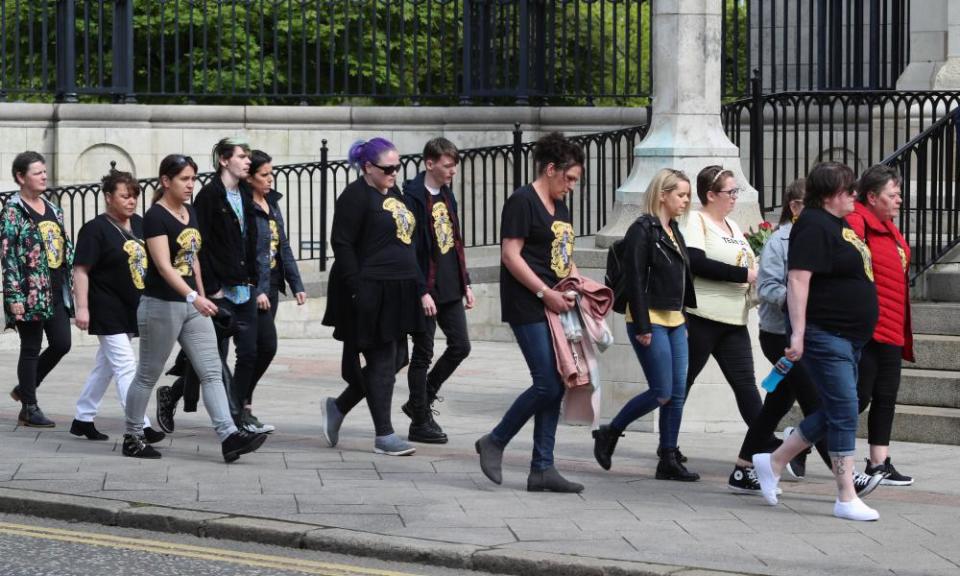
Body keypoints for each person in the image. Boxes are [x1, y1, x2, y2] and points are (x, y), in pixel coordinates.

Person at [753, 162, 883, 521]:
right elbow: (797, 281)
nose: (854, 195)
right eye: (848, 190)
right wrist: (796, 334)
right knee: (843, 410)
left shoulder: (837, 224)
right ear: (829, 195)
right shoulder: (811, 224)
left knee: (841, 407)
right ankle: (845, 494)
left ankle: (774, 459)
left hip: (849, 336)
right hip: (827, 335)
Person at [122, 154, 266, 462]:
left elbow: (193, 259)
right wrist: (192, 297)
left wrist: (204, 298)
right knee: (148, 373)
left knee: (212, 370)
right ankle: (132, 436)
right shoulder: (155, 217)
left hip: (191, 305)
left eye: (193, 179)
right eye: (184, 179)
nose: (190, 185)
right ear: (165, 181)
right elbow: (163, 267)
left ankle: (229, 436)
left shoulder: (190, 212)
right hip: (161, 305)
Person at [475, 132, 585, 493]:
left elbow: (563, 254)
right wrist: (543, 291)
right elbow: (510, 255)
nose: (571, 186)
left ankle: (542, 468)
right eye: (568, 178)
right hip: (529, 302)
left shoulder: (560, 204)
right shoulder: (523, 200)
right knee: (548, 382)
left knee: (558, 382)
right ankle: (495, 440)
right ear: (550, 169)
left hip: (556, 303)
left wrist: (575, 282)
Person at [727, 180, 844, 494]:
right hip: (780, 335)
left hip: (808, 335)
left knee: (775, 406)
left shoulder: (820, 238)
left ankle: (742, 468)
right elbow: (766, 289)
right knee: (816, 402)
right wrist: (801, 300)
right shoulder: (780, 242)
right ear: (795, 206)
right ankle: (845, 477)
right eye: (814, 204)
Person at [592, 168, 699, 481]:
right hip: (649, 319)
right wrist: (642, 326)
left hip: (676, 319)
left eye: (688, 195)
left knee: (677, 393)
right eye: (681, 194)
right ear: (662, 194)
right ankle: (610, 432)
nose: (685, 200)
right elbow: (636, 281)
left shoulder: (673, 229)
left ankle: (668, 456)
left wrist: (685, 317)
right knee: (662, 391)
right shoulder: (643, 229)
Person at [319, 137, 425, 456]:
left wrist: (419, 286)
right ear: (367, 167)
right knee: (381, 361)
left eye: (397, 166)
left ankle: (338, 406)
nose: (394, 172)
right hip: (371, 287)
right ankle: (384, 434)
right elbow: (342, 243)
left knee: (397, 359)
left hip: (400, 288)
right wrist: (357, 288)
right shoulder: (354, 196)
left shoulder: (393, 191)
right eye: (388, 168)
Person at [70, 169, 164, 443]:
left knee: (106, 366)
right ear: (109, 197)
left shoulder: (140, 224)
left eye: (134, 195)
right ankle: (140, 425)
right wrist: (82, 308)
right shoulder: (94, 229)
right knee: (125, 366)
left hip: (132, 306)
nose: (131, 201)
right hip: (105, 306)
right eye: (125, 196)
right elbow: (81, 270)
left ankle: (83, 418)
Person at [682, 165, 768, 462]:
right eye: (730, 192)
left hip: (734, 320)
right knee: (682, 383)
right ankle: (663, 444)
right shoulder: (696, 220)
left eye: (736, 191)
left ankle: (765, 442)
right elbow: (696, 262)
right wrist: (745, 274)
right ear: (710, 195)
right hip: (702, 317)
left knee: (745, 383)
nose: (734, 197)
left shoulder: (732, 227)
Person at [401, 137, 474, 444]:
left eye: (454, 166)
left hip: (450, 285)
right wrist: (421, 291)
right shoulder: (411, 196)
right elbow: (410, 248)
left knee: (461, 345)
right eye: (447, 165)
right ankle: (419, 420)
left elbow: (454, 239)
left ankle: (419, 400)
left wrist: (465, 281)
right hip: (425, 288)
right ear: (429, 163)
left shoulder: (447, 194)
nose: (452, 171)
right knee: (423, 353)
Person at [847, 164, 914, 487]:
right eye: (893, 194)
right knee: (857, 399)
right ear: (872, 197)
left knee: (886, 395)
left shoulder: (889, 226)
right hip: (869, 328)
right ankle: (801, 444)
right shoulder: (857, 222)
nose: (899, 199)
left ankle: (878, 463)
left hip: (892, 326)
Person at [192, 137, 259, 429]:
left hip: (245, 286)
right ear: (224, 160)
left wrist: (255, 281)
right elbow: (200, 245)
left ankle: (238, 408)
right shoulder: (208, 196)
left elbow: (252, 239)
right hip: (220, 289)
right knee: (216, 358)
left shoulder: (246, 193)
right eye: (242, 157)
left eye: (248, 157)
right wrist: (212, 286)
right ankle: (233, 417)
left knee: (250, 352)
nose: (247, 162)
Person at [2, 151, 73, 427]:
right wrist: (13, 296)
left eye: (44, 171)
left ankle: (24, 388)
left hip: (55, 289)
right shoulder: (13, 212)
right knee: (30, 347)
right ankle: (29, 407)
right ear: (21, 177)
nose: (44, 176)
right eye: (37, 172)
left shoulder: (54, 209)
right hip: (28, 291)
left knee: (62, 343)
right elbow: (7, 256)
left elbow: (63, 246)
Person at [245, 149, 307, 433]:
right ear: (249, 177)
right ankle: (241, 406)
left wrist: (296, 284)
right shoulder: (243, 205)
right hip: (251, 288)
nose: (270, 180)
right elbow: (244, 252)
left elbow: (283, 245)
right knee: (260, 347)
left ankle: (242, 405)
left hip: (272, 284)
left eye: (272, 174)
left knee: (260, 349)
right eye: (264, 175)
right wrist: (256, 288)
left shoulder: (272, 203)